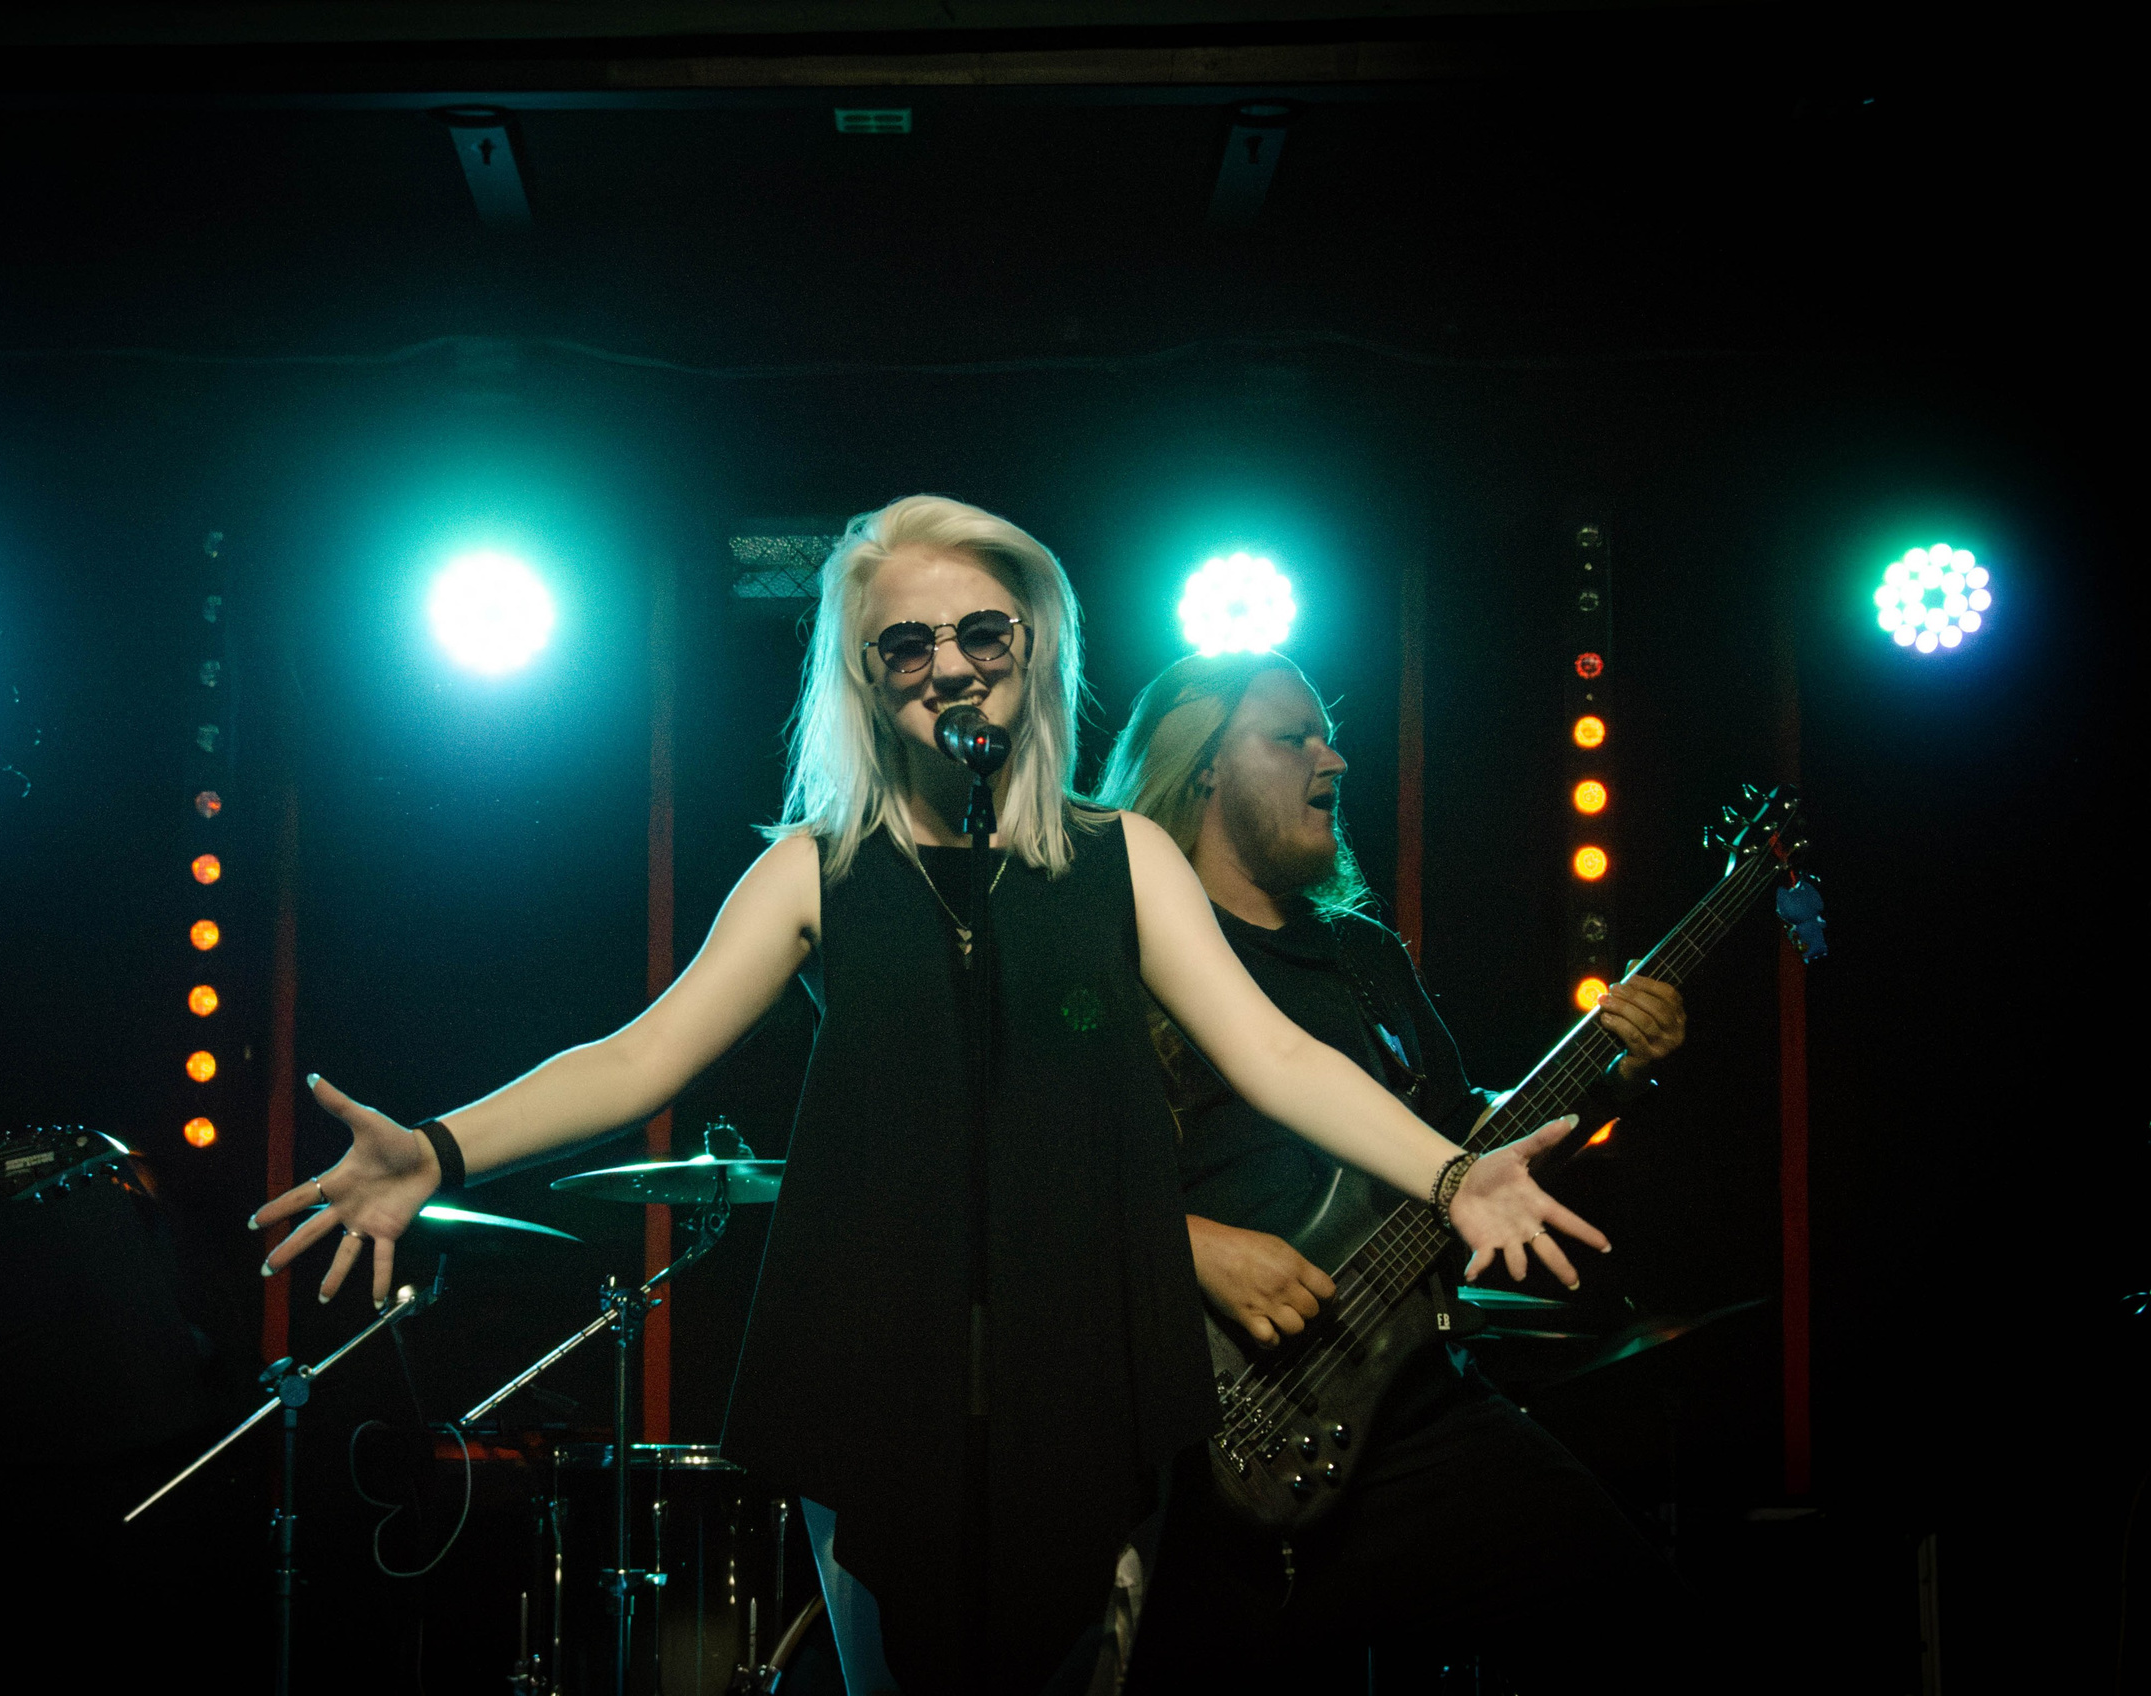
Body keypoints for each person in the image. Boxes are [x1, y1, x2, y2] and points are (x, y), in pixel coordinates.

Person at [256, 496, 1607, 1694]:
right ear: (864, 676)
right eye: (908, 643)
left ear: (1035, 647)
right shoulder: (817, 869)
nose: (949, 663)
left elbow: (1282, 1057)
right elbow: (637, 1059)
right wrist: (438, 1148)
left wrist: (1451, 1171)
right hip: (879, 1363)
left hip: (1082, 1364)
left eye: (982, 632)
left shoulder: (1122, 858)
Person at [1093, 650, 1693, 1690]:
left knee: (1627, 1604)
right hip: (1199, 1422)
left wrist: (1610, 1071)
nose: (1333, 754)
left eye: (1326, 734)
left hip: (1410, 1408)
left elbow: (1461, 1147)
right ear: (1201, 770)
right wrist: (1187, 1245)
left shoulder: (1363, 958)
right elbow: (1030, 1170)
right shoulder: (1117, 948)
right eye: (1292, 737)